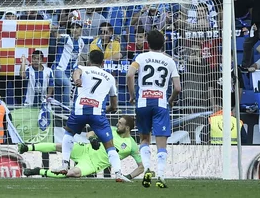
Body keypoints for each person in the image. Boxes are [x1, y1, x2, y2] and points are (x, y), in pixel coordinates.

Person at [58, 50, 129, 181]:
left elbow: (76, 72)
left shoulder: (83, 68)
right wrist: (104, 110)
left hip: (80, 111)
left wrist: (77, 79)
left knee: (68, 133)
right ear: (103, 63)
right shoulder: (110, 77)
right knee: (110, 145)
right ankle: (118, 173)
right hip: (98, 114)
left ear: (89, 61)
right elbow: (114, 106)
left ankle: (64, 164)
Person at [126, 30, 181, 188]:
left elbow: (130, 75)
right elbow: (177, 87)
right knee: (161, 142)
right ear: (163, 43)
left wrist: (132, 95)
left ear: (147, 43)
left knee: (144, 138)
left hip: (143, 102)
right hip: (160, 103)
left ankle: (147, 168)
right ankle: (162, 176)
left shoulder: (141, 57)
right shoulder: (169, 61)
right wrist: (170, 100)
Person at [20, 115, 144, 180]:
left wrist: (128, 176)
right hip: (85, 149)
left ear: (127, 128)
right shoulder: (110, 130)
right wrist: (92, 139)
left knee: (72, 173)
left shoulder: (132, 145)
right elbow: (90, 133)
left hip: (93, 164)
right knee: (60, 146)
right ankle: (28, 147)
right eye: (118, 122)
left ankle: (38, 171)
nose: (117, 124)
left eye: (120, 124)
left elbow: (141, 167)